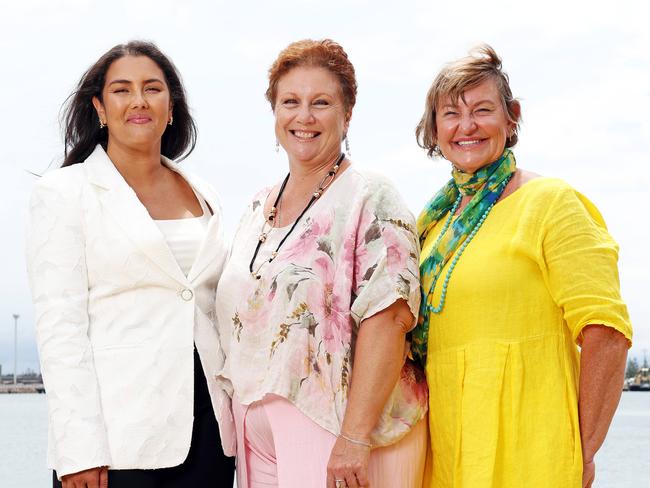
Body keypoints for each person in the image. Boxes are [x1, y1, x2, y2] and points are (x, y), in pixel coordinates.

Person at [412, 44, 632, 488]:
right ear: (434, 129)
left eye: (482, 109)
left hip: (531, 450)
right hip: (446, 451)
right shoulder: (431, 224)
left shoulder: (551, 203)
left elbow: (606, 333)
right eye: (451, 113)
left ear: (511, 117)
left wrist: (581, 451)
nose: (467, 126)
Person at [214, 39, 428, 488]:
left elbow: (389, 317)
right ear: (274, 113)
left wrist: (354, 437)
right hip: (252, 425)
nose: (304, 116)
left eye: (321, 102)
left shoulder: (370, 194)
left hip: (331, 422)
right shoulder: (256, 206)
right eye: (290, 101)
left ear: (347, 114)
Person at [26, 41, 235, 487]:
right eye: (122, 90)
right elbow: (61, 331)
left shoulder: (205, 193)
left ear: (172, 107)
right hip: (118, 442)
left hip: (210, 433)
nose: (139, 100)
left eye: (152, 88)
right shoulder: (65, 193)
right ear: (100, 108)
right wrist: (78, 450)